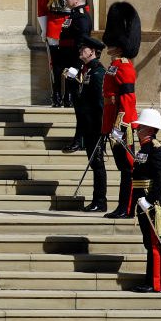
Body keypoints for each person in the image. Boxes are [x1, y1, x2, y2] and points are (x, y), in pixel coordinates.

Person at [37, 0, 89, 107]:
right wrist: (44, 28)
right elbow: (42, 5)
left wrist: (85, 28)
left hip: (74, 25)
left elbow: (85, 5)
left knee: (75, 62)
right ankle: (57, 95)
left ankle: (71, 95)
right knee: (56, 64)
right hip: (54, 24)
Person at [101, 2, 140, 220]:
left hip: (123, 126)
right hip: (113, 122)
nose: (108, 47)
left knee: (128, 169)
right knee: (122, 169)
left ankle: (127, 208)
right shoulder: (114, 65)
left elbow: (127, 99)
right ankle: (121, 206)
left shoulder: (124, 67)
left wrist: (119, 125)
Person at [129, 108, 161, 294]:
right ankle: (150, 279)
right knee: (148, 242)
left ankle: (155, 283)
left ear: (150, 129)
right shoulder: (144, 148)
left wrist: (149, 199)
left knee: (153, 244)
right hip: (142, 200)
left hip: (152, 204)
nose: (138, 129)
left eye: (141, 126)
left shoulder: (157, 149)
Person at [69, 36, 108, 212]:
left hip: (95, 126)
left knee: (97, 164)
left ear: (92, 52)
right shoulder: (88, 71)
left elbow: (100, 103)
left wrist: (101, 128)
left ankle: (100, 201)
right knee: (94, 164)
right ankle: (97, 200)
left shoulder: (98, 72)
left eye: (83, 49)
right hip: (88, 125)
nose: (80, 51)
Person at [59, 0, 93, 151]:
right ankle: (80, 139)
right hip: (70, 63)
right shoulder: (73, 15)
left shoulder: (81, 17)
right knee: (78, 106)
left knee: (81, 106)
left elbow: (83, 43)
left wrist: (78, 66)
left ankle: (80, 140)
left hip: (76, 65)